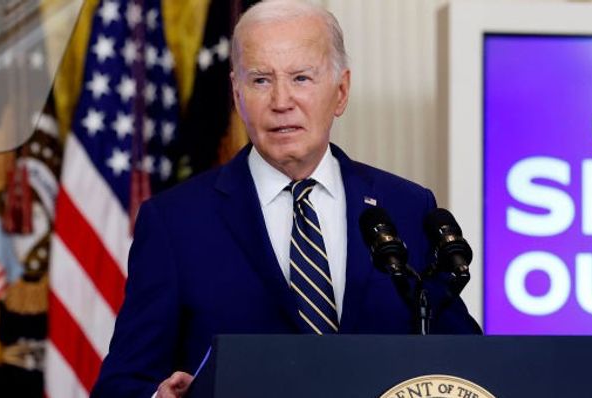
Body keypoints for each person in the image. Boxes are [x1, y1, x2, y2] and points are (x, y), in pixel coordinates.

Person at [90, 1, 481, 397]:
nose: (281, 101)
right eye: (261, 80)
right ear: (236, 93)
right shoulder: (175, 222)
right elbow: (121, 385)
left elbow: (470, 366)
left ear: (341, 91)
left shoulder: (408, 208)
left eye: (301, 78)